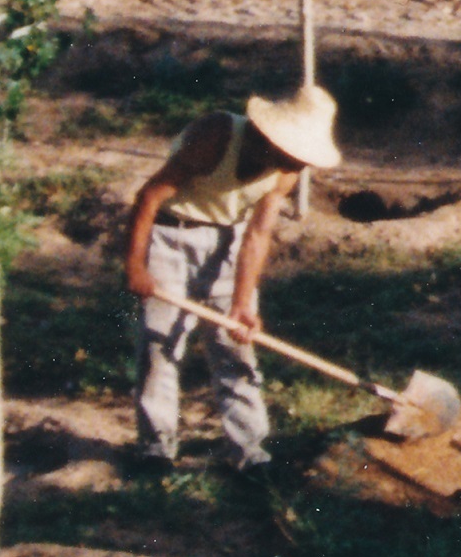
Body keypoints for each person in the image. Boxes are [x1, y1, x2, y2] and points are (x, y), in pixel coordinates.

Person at [114, 84, 336, 469]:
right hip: (170, 235)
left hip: (228, 240)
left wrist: (240, 304)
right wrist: (135, 265)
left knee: (235, 347)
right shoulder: (216, 135)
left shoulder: (288, 170)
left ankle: (249, 450)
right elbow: (149, 196)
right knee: (159, 344)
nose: (296, 163)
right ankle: (156, 448)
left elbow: (258, 233)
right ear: (269, 136)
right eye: (291, 152)